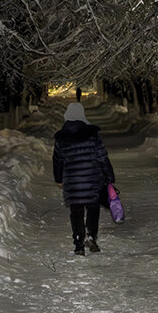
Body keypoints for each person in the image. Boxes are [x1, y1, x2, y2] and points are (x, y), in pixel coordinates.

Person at [52, 102, 115, 256]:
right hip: (92, 179)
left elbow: (57, 160)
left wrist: (59, 178)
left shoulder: (62, 137)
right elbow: (102, 157)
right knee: (93, 208)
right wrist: (109, 176)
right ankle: (91, 236)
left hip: (72, 181)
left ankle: (79, 243)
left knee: (76, 211)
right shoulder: (93, 135)